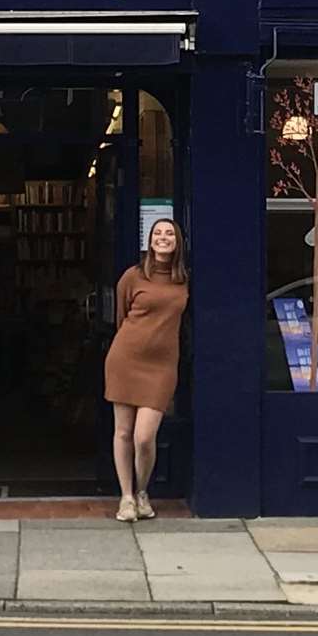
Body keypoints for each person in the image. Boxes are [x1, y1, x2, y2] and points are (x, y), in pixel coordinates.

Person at [104, 218, 190, 523]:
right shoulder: (134, 276)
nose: (163, 238)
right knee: (123, 432)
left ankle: (142, 491)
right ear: (149, 241)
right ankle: (126, 497)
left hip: (162, 366)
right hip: (125, 359)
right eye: (157, 234)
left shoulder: (183, 280)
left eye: (169, 234)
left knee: (144, 437)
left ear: (177, 241)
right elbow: (121, 315)